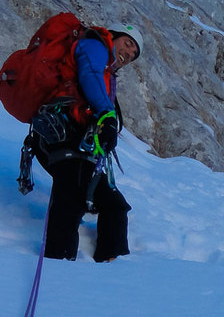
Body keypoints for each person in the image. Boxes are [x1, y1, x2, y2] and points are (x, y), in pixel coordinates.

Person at [29, 21, 143, 262]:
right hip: (63, 133)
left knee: (114, 205)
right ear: (113, 35)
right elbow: (89, 75)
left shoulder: (108, 71)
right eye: (128, 44)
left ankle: (111, 264)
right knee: (71, 194)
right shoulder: (95, 45)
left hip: (78, 142)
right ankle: (58, 260)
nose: (129, 54)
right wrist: (107, 115)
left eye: (133, 55)